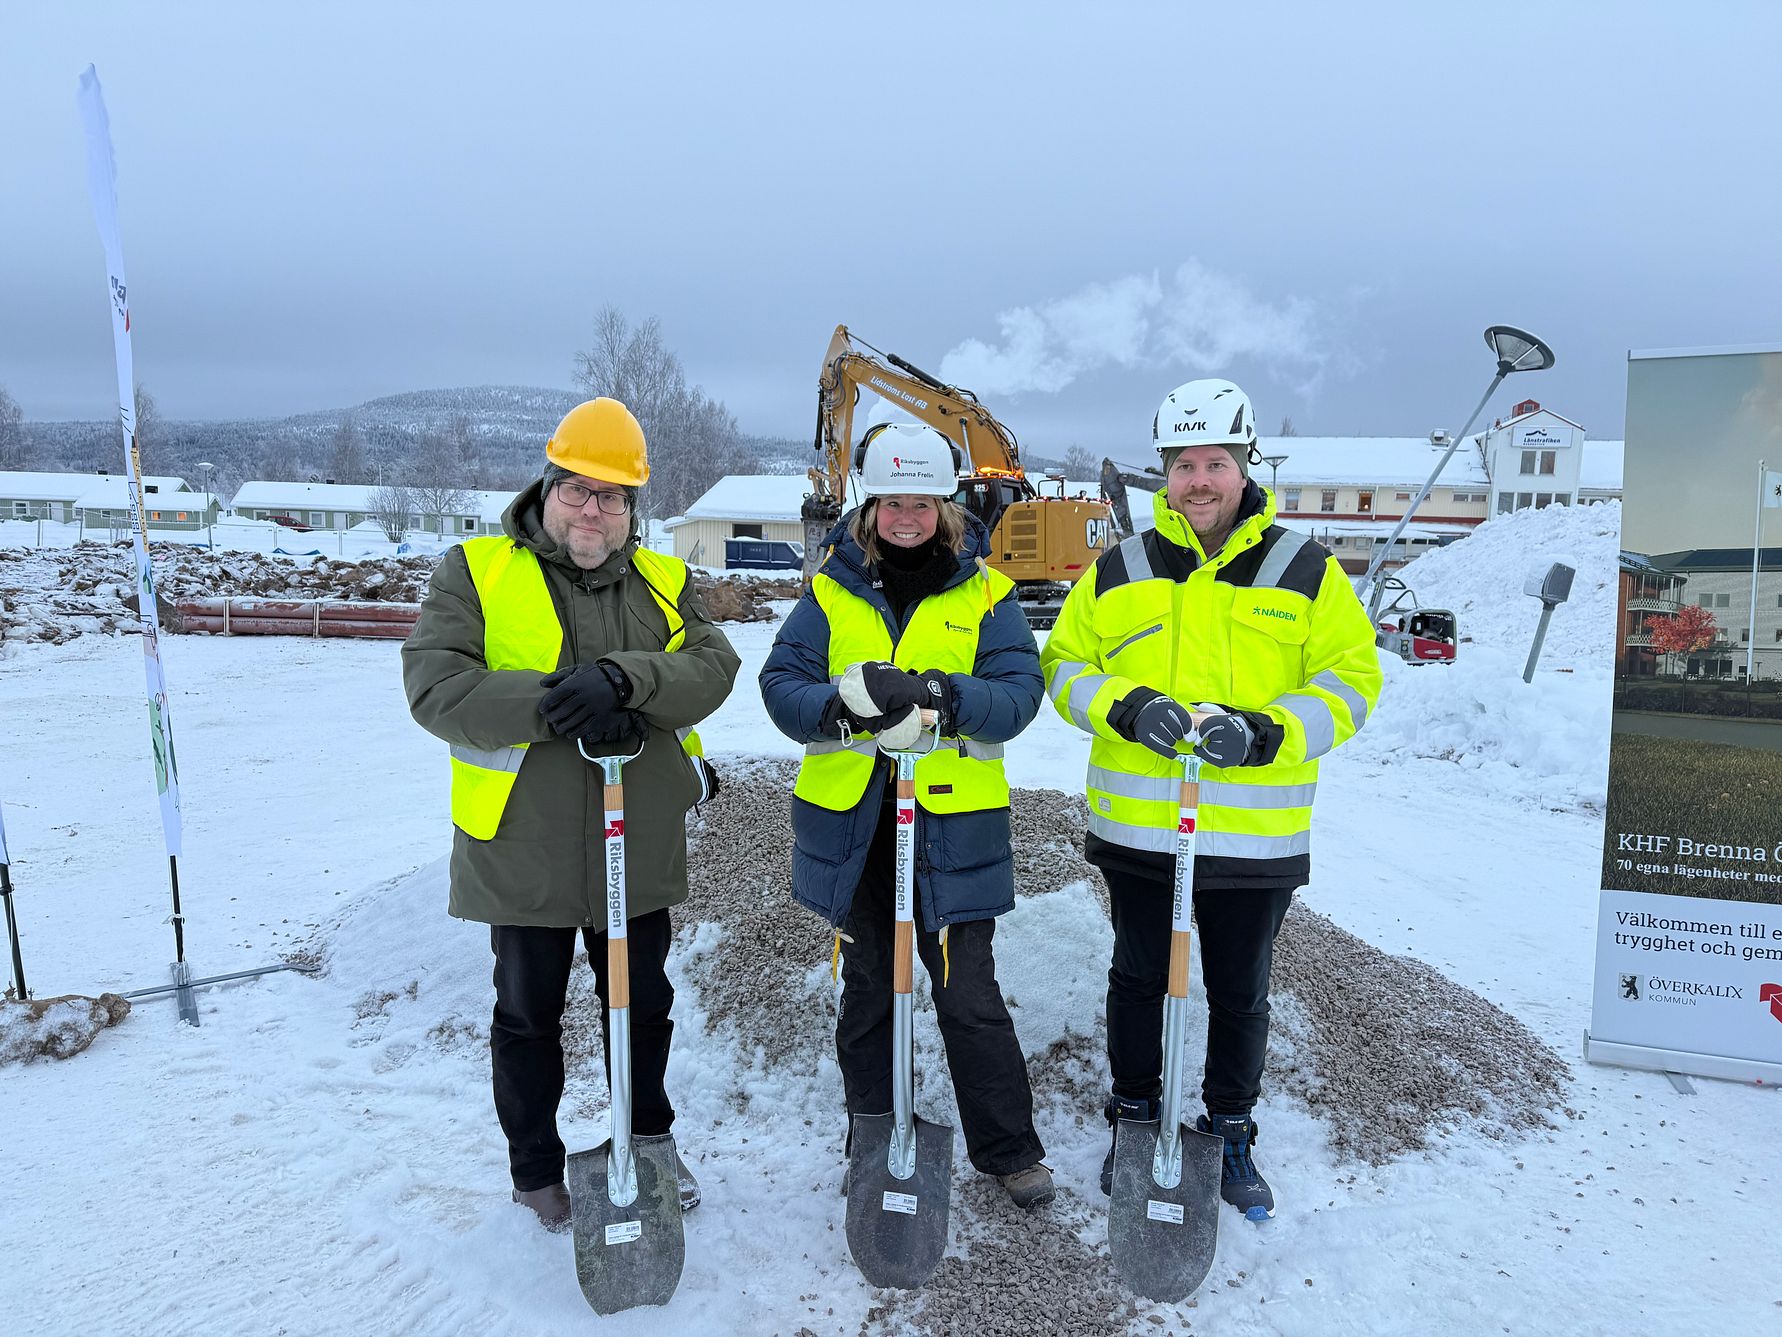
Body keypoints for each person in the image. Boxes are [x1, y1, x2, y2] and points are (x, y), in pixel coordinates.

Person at [1040, 379, 1381, 1220]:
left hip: (1251, 837)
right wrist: (1126, 706)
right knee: (1139, 974)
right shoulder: (1118, 567)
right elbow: (1063, 666)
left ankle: (1230, 1126)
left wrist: (1270, 729)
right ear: (1164, 471)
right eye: (1183, 464)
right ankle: (1133, 1113)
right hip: (1140, 828)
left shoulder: (1303, 568)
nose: (1198, 480)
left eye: (1215, 463)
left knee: (1238, 988)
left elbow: (1355, 678)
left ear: (1244, 466)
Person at [403, 397, 740, 1232]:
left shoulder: (663, 579)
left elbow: (713, 665)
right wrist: (563, 701)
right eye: (578, 491)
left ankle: (647, 1142)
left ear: (633, 510)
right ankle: (535, 1170)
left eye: (613, 497)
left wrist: (628, 682)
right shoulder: (475, 570)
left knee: (643, 1004)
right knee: (527, 1012)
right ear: (546, 488)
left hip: (640, 838)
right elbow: (437, 689)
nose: (594, 510)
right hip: (525, 849)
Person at [759, 421, 1055, 1209]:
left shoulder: (988, 593)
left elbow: (1020, 694)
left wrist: (942, 697)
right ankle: (876, 1132)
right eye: (893, 502)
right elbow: (781, 685)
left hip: (952, 830)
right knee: (869, 987)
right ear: (870, 505)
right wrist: (844, 711)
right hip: (856, 829)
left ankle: (1008, 1149)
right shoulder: (829, 589)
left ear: (946, 505)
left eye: (922, 502)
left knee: (967, 992)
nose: (907, 517)